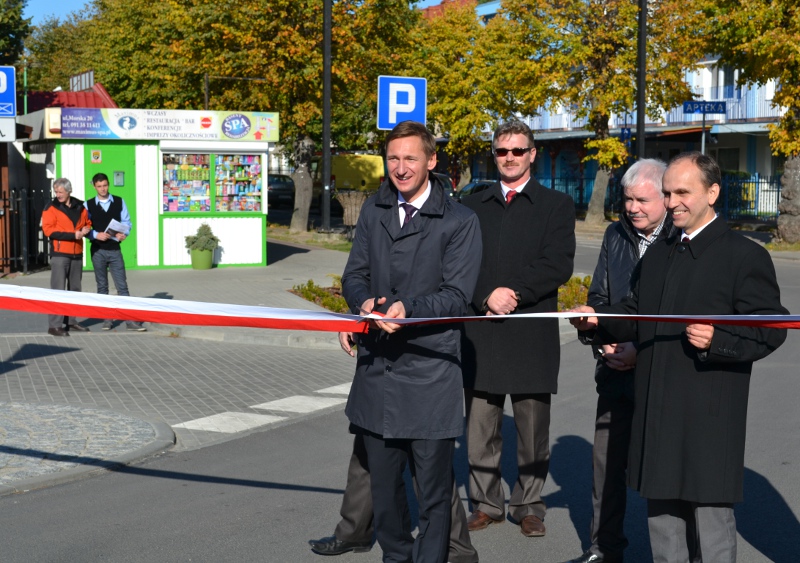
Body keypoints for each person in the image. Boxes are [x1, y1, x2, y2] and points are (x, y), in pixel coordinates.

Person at [570, 152, 788, 562]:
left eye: (682, 192)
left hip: (709, 412)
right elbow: (637, 314)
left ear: (713, 192)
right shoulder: (661, 252)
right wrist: (596, 321)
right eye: (668, 193)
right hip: (657, 407)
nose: (672, 203)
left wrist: (718, 338)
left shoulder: (744, 255)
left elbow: (771, 327)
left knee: (711, 525)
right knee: (663, 521)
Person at [339, 120, 482, 562]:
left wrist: (408, 310)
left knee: (434, 494)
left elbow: (458, 295)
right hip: (378, 370)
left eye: (410, 159)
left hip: (429, 370)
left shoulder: (460, 220)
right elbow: (354, 275)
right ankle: (396, 557)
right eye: (393, 158)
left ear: (431, 161)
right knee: (384, 491)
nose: (400, 168)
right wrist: (362, 305)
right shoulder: (373, 209)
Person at [460, 120, 576, 538]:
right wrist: (486, 295)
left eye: (517, 151)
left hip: (529, 332)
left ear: (532, 154)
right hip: (481, 333)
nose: (508, 158)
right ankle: (486, 503)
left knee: (532, 431)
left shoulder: (556, 205)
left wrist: (515, 294)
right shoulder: (473, 205)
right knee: (479, 431)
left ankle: (528, 504)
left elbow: (557, 263)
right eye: (501, 151)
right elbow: (457, 264)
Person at [563, 159, 673, 563]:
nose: (632, 207)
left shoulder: (680, 238)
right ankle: (603, 549)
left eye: (642, 199)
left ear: (665, 198)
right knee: (606, 470)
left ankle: (674, 553)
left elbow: (674, 315)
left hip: (661, 375)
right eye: (627, 198)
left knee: (662, 472)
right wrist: (599, 336)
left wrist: (640, 352)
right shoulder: (615, 234)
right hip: (613, 371)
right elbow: (601, 298)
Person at [84, 172, 146, 331]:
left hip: (115, 250)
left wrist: (124, 234)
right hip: (97, 250)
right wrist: (95, 234)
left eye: (105, 185)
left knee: (122, 286)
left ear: (108, 184)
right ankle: (107, 319)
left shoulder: (119, 201)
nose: (103, 189)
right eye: (99, 186)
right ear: (94, 186)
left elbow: (127, 222)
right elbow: (84, 228)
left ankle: (129, 320)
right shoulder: (88, 205)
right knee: (102, 286)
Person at [41, 177, 92, 337]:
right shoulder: (50, 207)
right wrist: (73, 234)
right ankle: (54, 325)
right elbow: (48, 230)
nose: (58, 194)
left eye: (60, 192)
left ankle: (71, 321)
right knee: (58, 290)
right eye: (56, 192)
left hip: (77, 253)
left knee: (75, 289)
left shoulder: (80, 206)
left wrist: (86, 229)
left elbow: (88, 222)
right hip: (60, 254)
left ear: (69, 191)